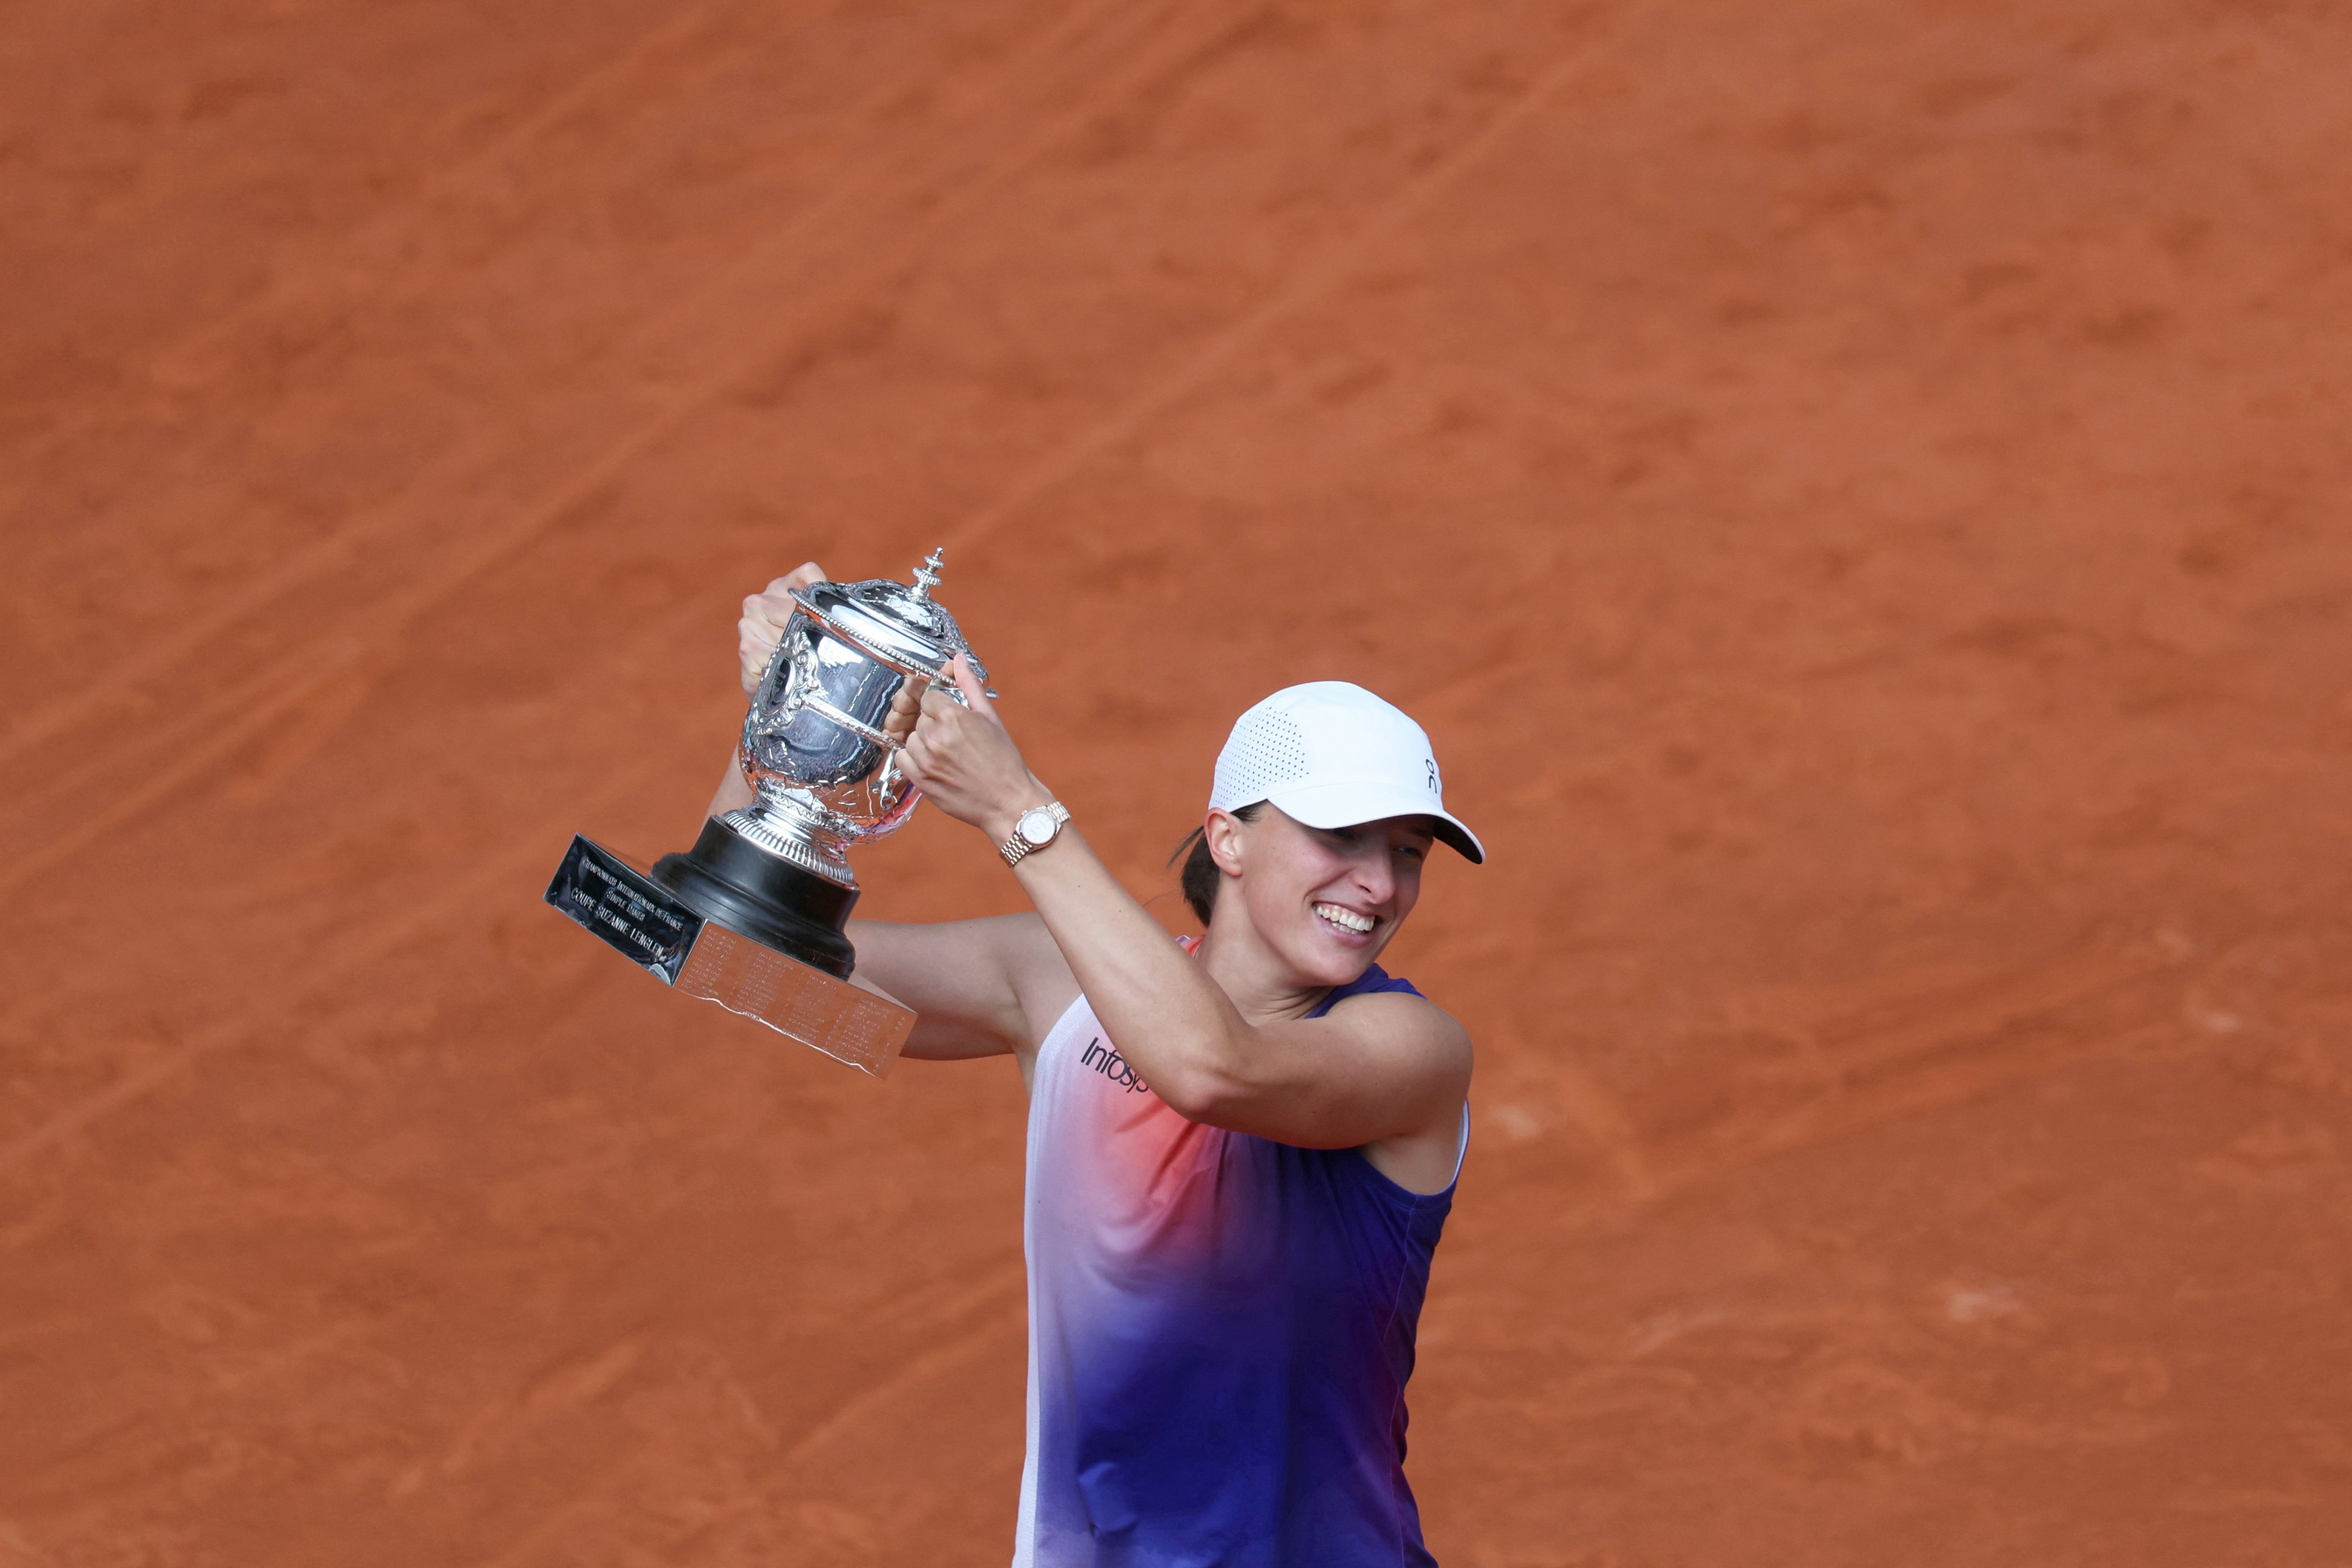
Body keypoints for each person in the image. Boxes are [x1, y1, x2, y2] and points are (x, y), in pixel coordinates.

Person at [716, 563, 1484, 1567]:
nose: (1379, 883)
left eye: (1409, 852)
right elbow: (731, 955)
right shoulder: (1055, 991)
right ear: (1229, 839)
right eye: (1340, 836)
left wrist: (1016, 809)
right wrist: (789, 721)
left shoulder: (1414, 1053)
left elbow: (1211, 1069)